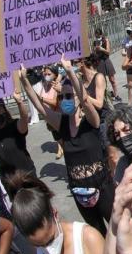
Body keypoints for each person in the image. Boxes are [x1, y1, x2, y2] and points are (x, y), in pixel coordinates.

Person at [19, 60, 112, 235]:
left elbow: (86, 100)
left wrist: (69, 71)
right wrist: (24, 80)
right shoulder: (60, 123)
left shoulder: (91, 121)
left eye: (69, 96)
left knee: (115, 231)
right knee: (97, 232)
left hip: (102, 187)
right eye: (62, 97)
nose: (64, 101)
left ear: (78, 98)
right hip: (80, 192)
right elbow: (39, 105)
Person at [92, 28, 119, 101]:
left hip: (106, 60)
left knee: (112, 79)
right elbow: (94, 53)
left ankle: (116, 95)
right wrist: (95, 50)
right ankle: (107, 97)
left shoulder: (105, 40)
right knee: (103, 80)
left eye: (98, 35)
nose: (97, 37)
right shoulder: (95, 42)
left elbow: (108, 51)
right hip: (99, 61)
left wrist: (102, 49)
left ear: (101, 34)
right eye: (96, 36)